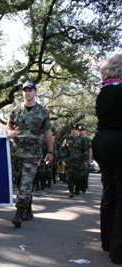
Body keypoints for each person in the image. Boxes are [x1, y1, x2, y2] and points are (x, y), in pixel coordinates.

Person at [6, 81, 53, 228]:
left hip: (33, 153)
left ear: (35, 92)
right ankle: (29, 209)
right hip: (17, 152)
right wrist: (9, 132)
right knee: (20, 181)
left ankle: (18, 214)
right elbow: (9, 125)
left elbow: (47, 133)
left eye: (30, 90)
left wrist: (50, 151)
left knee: (26, 182)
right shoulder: (16, 110)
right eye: (25, 90)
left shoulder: (43, 111)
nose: (27, 93)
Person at [91, 54, 122, 264]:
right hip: (118, 141)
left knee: (109, 192)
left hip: (101, 142)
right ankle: (118, 251)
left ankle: (107, 241)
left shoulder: (104, 91)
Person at [63, 125, 86, 198]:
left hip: (79, 161)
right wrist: (63, 159)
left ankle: (77, 187)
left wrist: (85, 160)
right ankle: (70, 191)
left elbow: (85, 150)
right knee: (69, 177)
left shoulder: (82, 140)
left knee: (78, 176)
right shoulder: (67, 139)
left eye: (75, 129)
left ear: (77, 131)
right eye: (73, 129)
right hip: (70, 161)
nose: (74, 131)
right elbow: (64, 150)